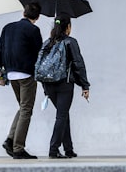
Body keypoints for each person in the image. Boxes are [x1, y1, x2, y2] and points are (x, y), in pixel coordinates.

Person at [0, 2, 43, 159]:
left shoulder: (7, 28)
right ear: (37, 17)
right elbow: (39, 53)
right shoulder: (34, 30)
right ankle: (18, 148)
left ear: (24, 13)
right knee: (27, 110)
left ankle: (10, 140)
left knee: (23, 107)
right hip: (26, 75)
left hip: (10, 74)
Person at [39, 16, 91, 159]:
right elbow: (78, 64)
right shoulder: (70, 42)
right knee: (61, 115)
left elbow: (40, 65)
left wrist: (45, 87)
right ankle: (53, 149)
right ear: (68, 26)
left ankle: (68, 149)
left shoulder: (47, 43)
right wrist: (84, 85)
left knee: (63, 114)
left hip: (49, 85)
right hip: (64, 84)